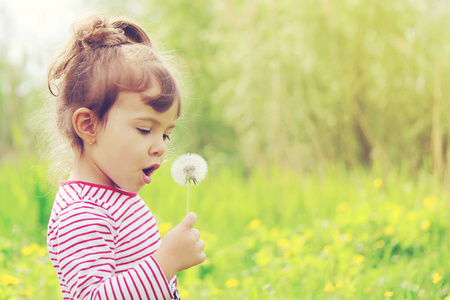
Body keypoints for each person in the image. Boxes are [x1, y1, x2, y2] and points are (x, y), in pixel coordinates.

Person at [45, 14, 205, 300]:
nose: (160, 147)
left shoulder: (113, 197)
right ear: (88, 126)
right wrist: (164, 263)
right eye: (145, 129)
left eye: (165, 134)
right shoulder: (82, 214)